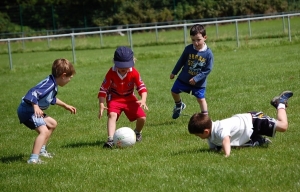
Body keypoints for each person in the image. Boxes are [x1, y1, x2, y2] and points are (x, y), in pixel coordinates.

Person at [188, 91, 293, 157]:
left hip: (253, 121)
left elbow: (226, 139)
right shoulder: (209, 135)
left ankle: (280, 103)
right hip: (246, 130)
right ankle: (257, 140)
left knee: (283, 126)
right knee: (233, 146)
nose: (198, 137)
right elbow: (214, 148)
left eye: (198, 135)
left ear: (205, 131)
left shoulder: (219, 128)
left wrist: (227, 155)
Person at [17, 58, 77, 164]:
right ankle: (33, 159)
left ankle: (41, 150)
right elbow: (32, 93)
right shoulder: (49, 85)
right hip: (27, 110)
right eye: (69, 78)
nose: (70, 80)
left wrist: (65, 105)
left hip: (31, 109)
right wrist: (36, 107)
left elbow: (50, 99)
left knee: (52, 124)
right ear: (63, 75)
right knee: (43, 131)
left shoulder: (53, 84)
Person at [98, 46, 148, 148]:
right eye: (120, 66)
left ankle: (137, 132)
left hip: (129, 98)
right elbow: (103, 90)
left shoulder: (134, 72)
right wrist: (101, 104)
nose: (122, 69)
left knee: (142, 118)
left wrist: (143, 100)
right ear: (114, 62)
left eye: (125, 66)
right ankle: (111, 140)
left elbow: (142, 87)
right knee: (112, 115)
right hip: (114, 98)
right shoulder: (111, 72)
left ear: (132, 61)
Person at [170, 24, 214, 119]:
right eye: (193, 40)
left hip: (199, 83)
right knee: (174, 91)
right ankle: (179, 105)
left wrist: (197, 78)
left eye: (198, 40)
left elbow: (208, 69)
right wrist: (174, 72)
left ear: (205, 37)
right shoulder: (188, 49)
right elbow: (181, 61)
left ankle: (205, 118)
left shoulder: (208, 53)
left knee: (201, 99)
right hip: (184, 78)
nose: (196, 43)